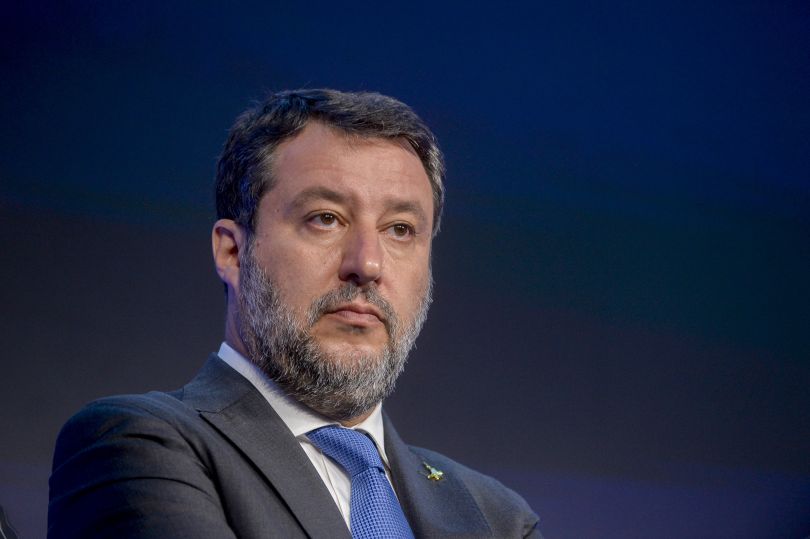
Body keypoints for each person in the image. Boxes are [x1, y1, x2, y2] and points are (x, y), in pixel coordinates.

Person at [48, 89, 542, 538]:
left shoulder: (498, 518)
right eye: (325, 219)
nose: (367, 264)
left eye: (400, 229)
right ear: (233, 252)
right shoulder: (134, 447)